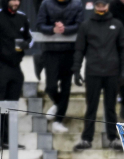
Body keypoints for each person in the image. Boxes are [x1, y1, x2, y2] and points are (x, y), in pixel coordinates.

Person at [71, 0, 124, 152]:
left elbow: (123, 50)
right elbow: (79, 50)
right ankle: (86, 138)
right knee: (91, 106)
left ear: (108, 6)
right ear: (94, 6)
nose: (101, 7)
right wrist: (76, 71)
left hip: (112, 73)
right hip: (93, 72)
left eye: (104, 5)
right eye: (98, 5)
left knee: (111, 107)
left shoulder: (117, 24)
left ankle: (113, 138)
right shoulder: (86, 25)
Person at [0, 0, 33, 149]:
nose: (16, 3)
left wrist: (26, 44)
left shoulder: (22, 17)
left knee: (12, 105)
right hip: (0, 66)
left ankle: (8, 139)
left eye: (18, 0)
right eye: (12, 0)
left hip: (16, 67)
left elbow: (30, 38)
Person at [37, 0, 84, 134]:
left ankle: (58, 120)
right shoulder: (46, 3)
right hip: (50, 51)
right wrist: (53, 29)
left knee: (66, 86)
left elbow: (80, 24)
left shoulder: (77, 4)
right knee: (50, 86)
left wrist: (65, 29)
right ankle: (58, 104)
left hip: (69, 51)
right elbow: (39, 25)